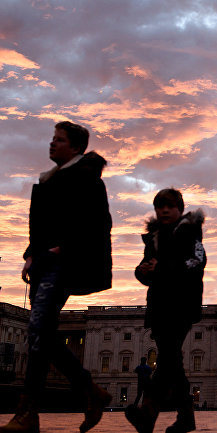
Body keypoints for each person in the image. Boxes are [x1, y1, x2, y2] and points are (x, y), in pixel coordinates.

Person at [1, 121, 113, 433]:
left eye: (59, 140)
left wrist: (63, 248)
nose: (52, 144)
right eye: (52, 138)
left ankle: (30, 410)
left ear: (76, 147)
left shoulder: (87, 177)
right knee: (40, 335)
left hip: (65, 264)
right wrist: (31, 253)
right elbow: (44, 225)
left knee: (38, 329)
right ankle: (86, 392)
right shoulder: (52, 180)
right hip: (45, 263)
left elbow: (98, 223)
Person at [125, 189, 206, 433]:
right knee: (172, 362)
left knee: (170, 357)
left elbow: (197, 262)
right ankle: (184, 417)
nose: (164, 211)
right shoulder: (154, 237)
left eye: (170, 206)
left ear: (180, 209)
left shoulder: (189, 232)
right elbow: (148, 267)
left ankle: (149, 412)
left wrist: (163, 268)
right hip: (159, 305)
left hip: (182, 304)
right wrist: (143, 271)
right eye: (160, 207)